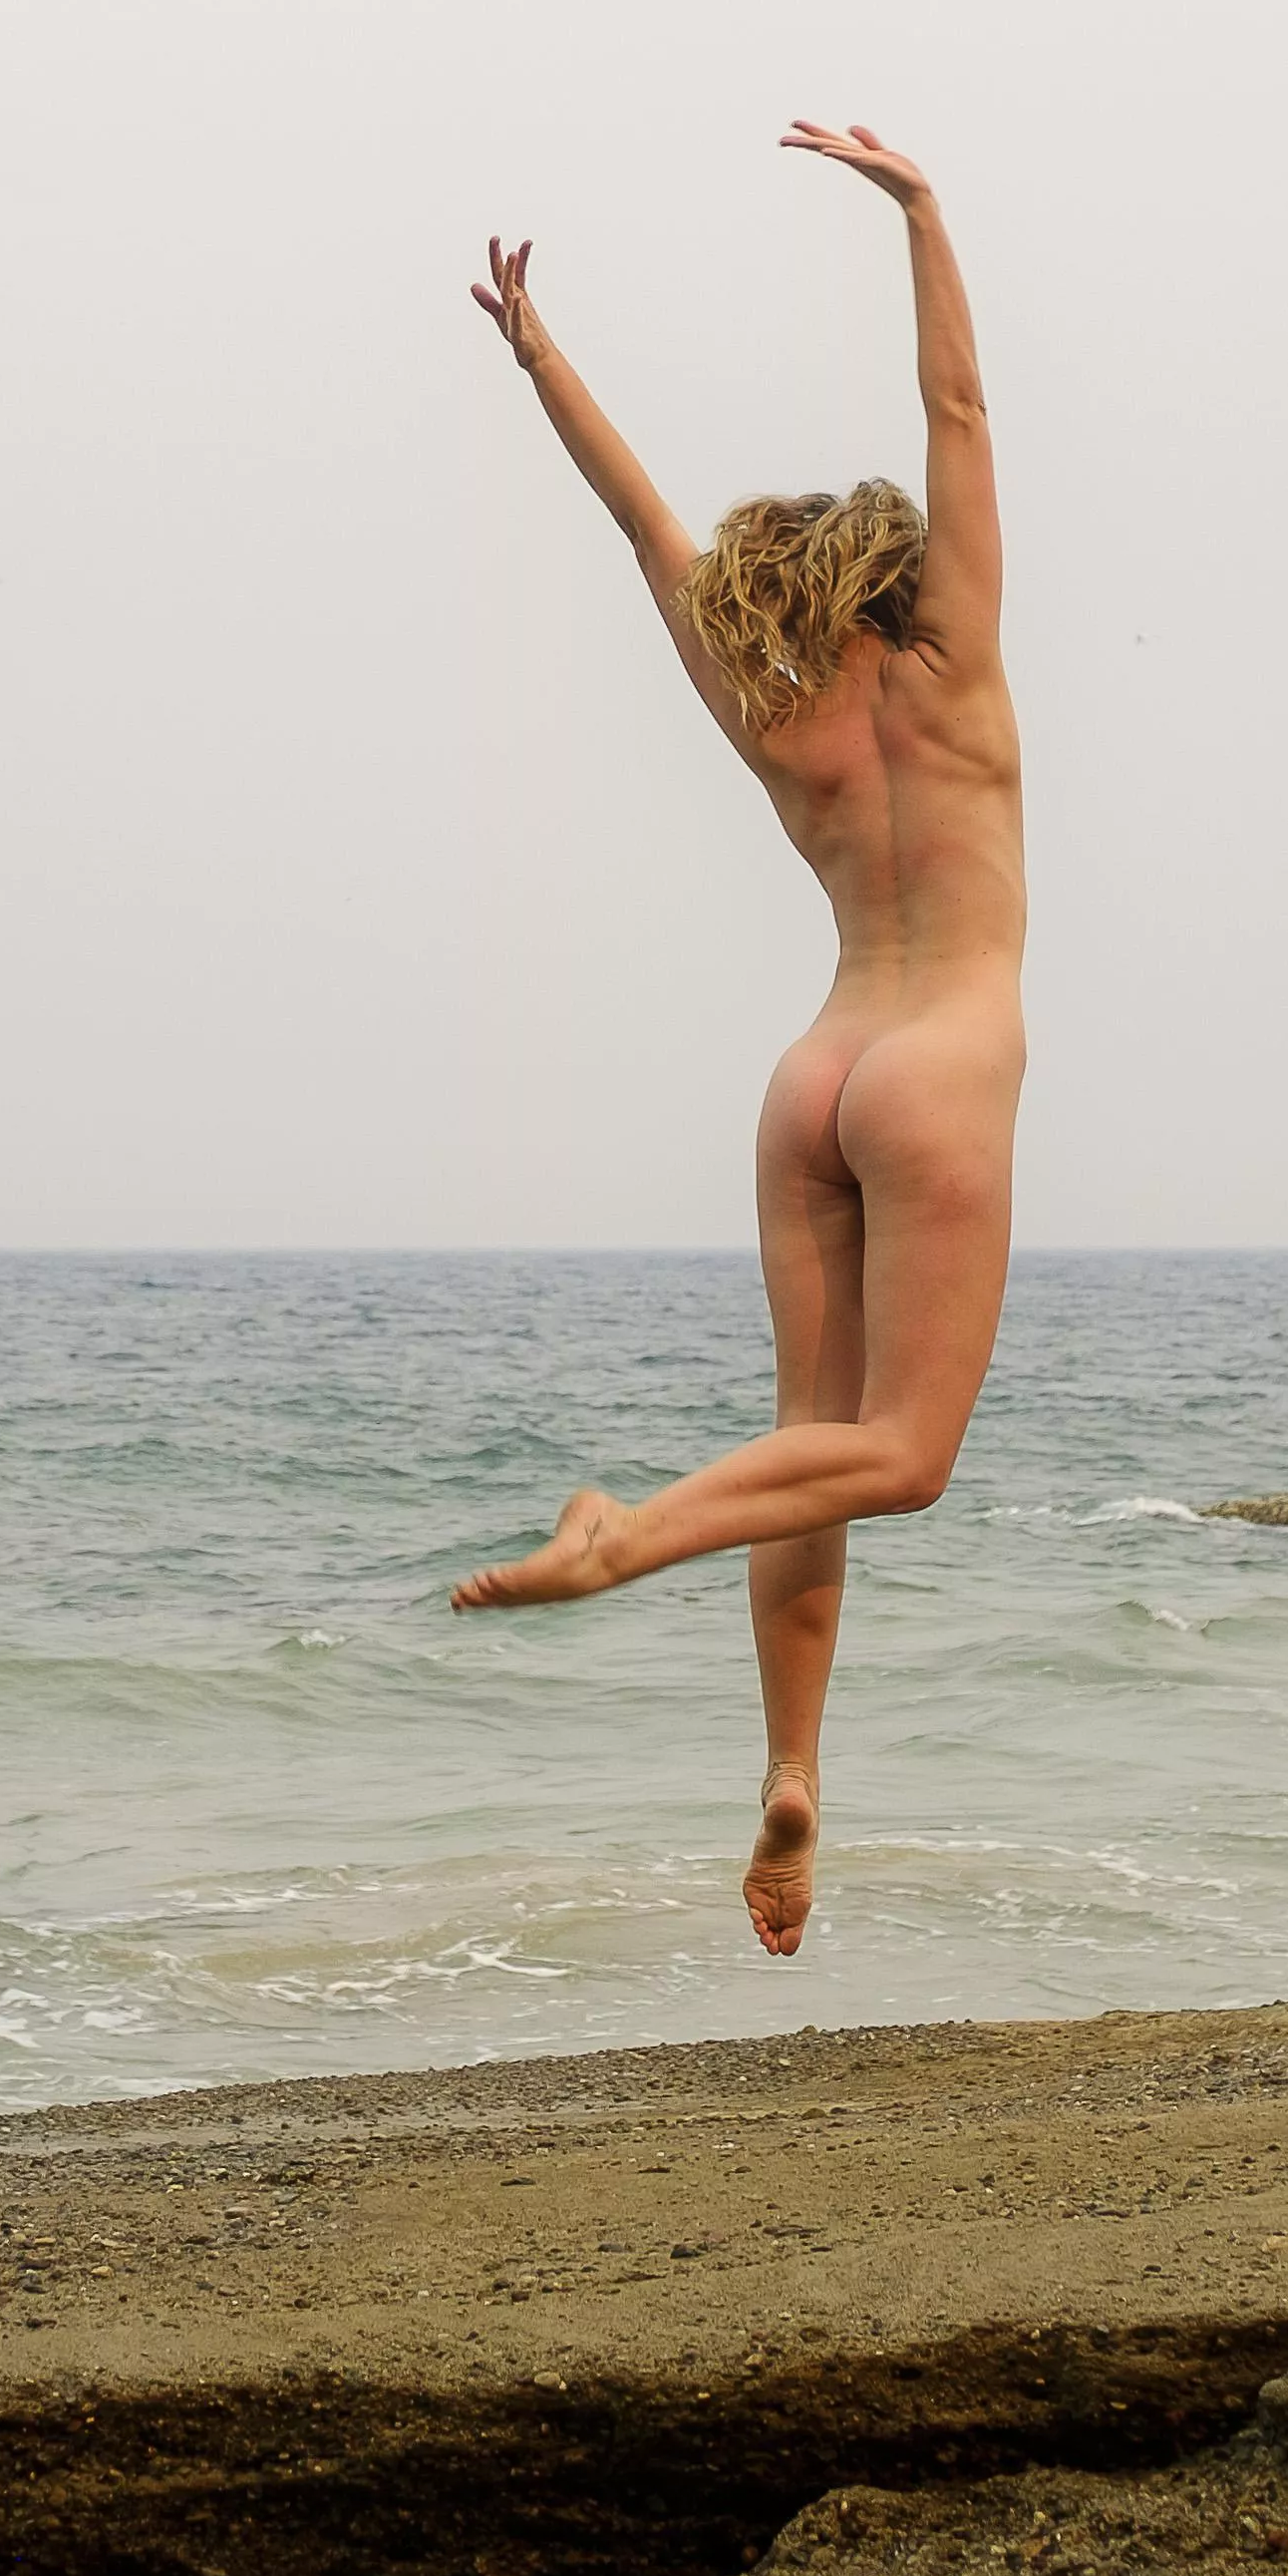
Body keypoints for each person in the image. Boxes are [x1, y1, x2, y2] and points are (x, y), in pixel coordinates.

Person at [450, 124, 1025, 1959]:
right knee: (905, 1453)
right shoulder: (953, 670)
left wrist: (541, 357)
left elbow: (642, 521)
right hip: (937, 1067)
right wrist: (923, 217)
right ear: (895, 570)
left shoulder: (770, 704)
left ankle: (791, 1764)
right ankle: (625, 1536)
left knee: (819, 1439)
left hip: (815, 1076)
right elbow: (964, 410)